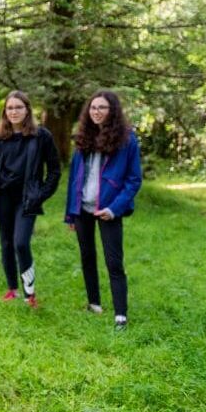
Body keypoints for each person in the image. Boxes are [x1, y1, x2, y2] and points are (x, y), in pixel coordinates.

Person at [65, 90, 142, 330]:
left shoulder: (127, 140)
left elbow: (133, 180)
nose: (96, 112)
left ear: (112, 111)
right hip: (83, 208)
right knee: (87, 256)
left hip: (108, 210)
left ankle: (121, 315)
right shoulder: (83, 137)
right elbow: (74, 177)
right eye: (93, 107)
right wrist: (70, 212)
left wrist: (114, 208)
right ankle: (94, 303)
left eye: (102, 107)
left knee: (114, 262)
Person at [0, 90, 60, 308]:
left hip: (27, 199)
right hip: (2, 198)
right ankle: (12, 289)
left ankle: (30, 294)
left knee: (21, 243)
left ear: (27, 110)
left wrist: (41, 195)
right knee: (6, 243)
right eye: (10, 108)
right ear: (5, 112)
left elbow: (54, 171)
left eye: (18, 107)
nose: (14, 112)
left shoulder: (41, 136)